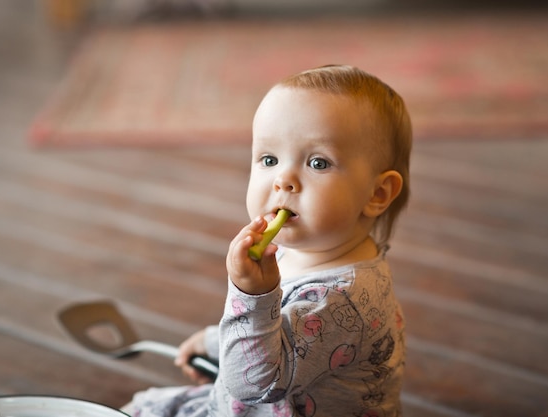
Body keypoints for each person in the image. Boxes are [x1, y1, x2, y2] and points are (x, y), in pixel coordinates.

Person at [124, 64, 412, 417]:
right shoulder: (311, 251)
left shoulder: (338, 301)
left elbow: (253, 384)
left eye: (318, 163)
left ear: (377, 193)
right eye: (269, 159)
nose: (283, 180)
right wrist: (213, 342)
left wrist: (252, 296)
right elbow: (282, 327)